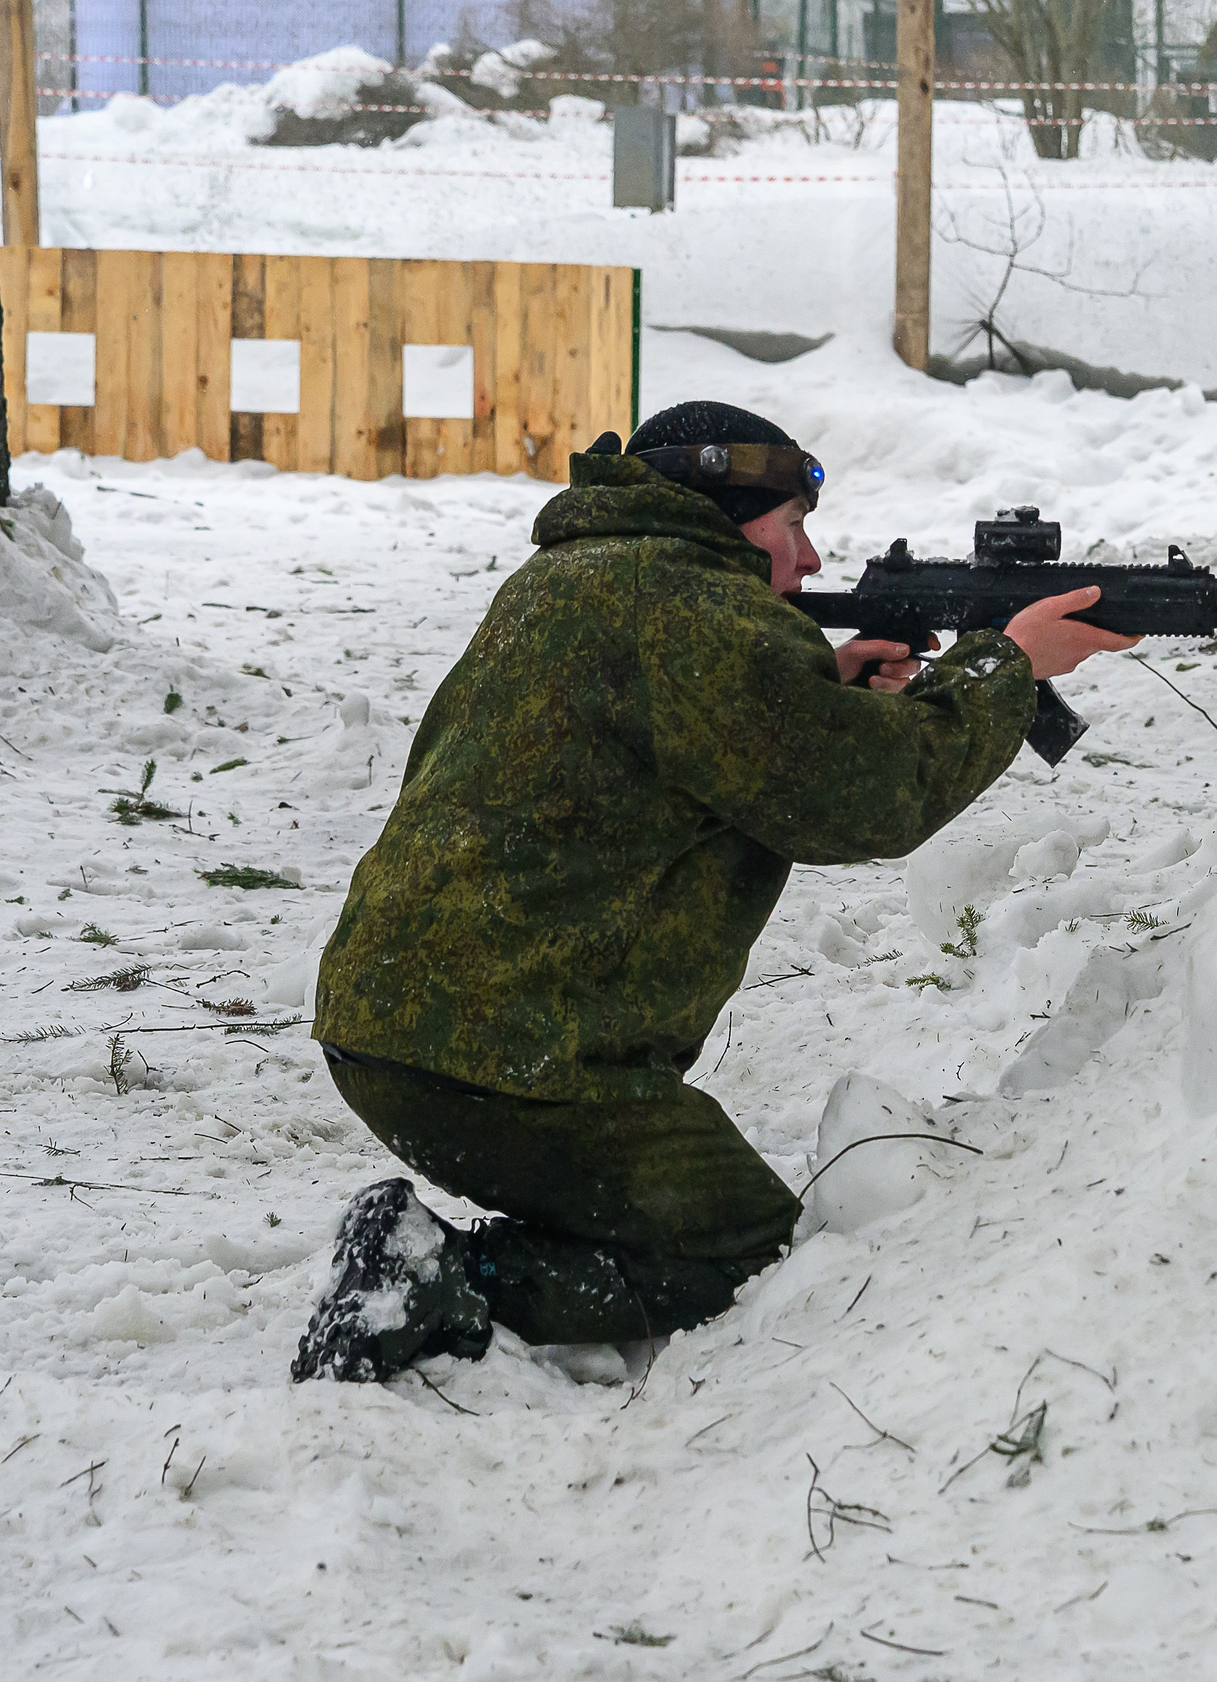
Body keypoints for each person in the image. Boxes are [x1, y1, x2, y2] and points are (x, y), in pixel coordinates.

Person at [291, 401, 1137, 1383]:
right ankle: (437, 1276)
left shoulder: (588, 574)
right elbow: (868, 802)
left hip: (401, 1020)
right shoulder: (700, 614)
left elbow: (647, 734)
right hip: (510, 1057)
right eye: (791, 528)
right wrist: (1010, 663)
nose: (812, 560)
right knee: (740, 1253)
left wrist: (817, 681)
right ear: (728, 519)